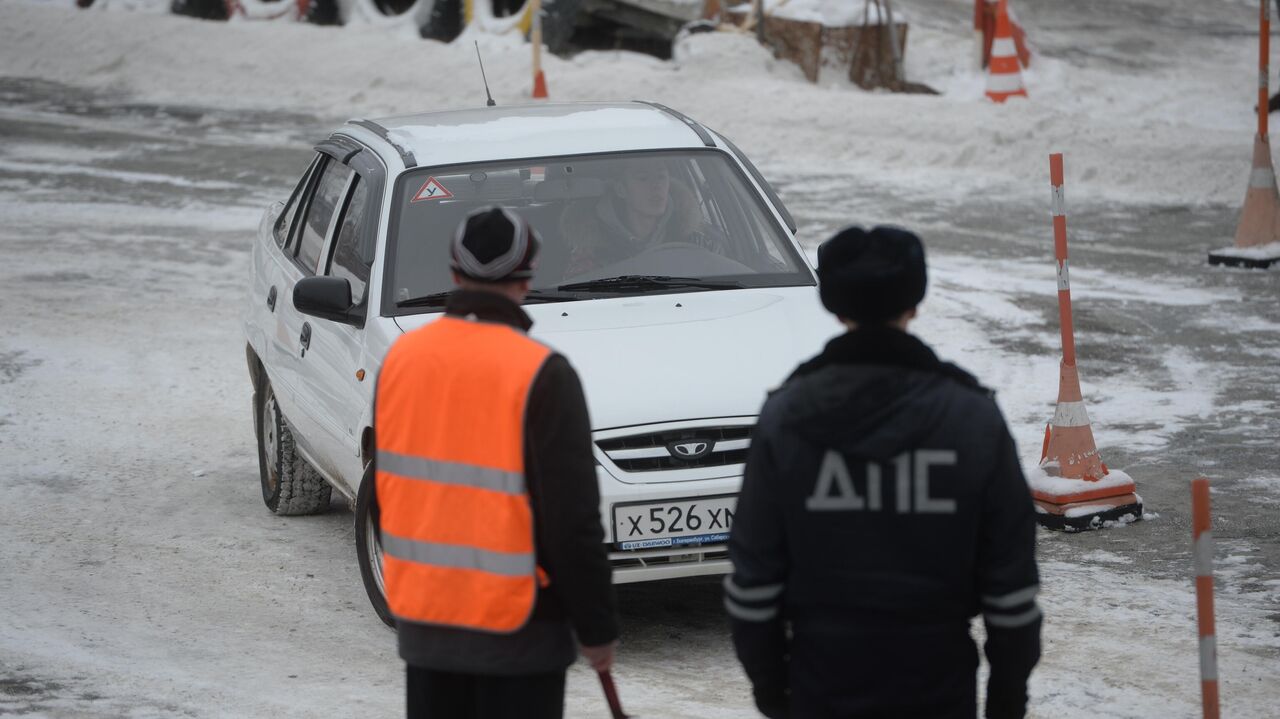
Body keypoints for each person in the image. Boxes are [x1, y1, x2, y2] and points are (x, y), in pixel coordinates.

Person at [725, 226, 1041, 718]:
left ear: (835, 308)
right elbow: (1012, 586)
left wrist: (772, 688)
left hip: (822, 684)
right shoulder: (971, 416)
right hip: (937, 686)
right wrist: (1006, 701)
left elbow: (753, 581)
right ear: (914, 303)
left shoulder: (786, 418)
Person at [373, 206, 619, 719]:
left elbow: (384, 490)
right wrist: (596, 629)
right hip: (520, 631)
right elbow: (573, 522)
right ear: (527, 278)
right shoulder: (542, 374)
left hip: (426, 621)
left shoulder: (401, 361)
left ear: (453, 273)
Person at [561, 156, 726, 276]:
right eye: (643, 178)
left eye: (661, 176)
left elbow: (724, 283)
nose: (656, 186)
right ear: (621, 189)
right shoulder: (592, 253)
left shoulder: (698, 243)